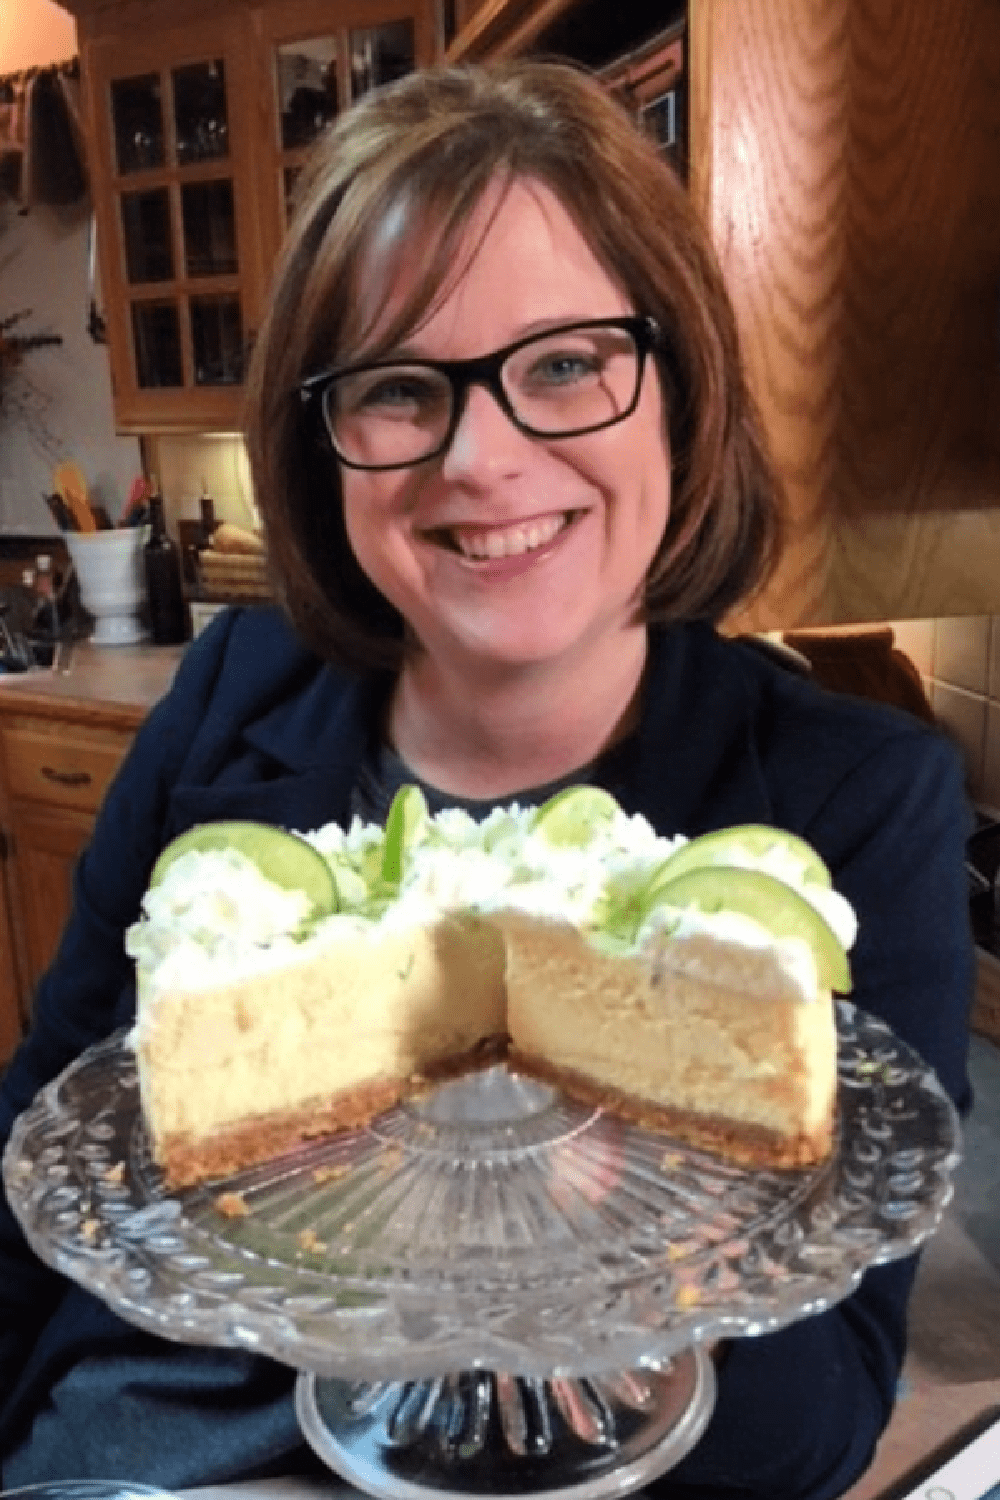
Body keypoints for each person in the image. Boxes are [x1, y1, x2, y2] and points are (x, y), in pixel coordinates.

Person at [0, 59, 973, 1497]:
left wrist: (614, 1297)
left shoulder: (852, 797)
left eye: (567, 362)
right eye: (400, 386)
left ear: (678, 385)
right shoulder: (227, 702)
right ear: (321, 439)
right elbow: (50, 1161)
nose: (483, 456)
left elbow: (818, 1424)